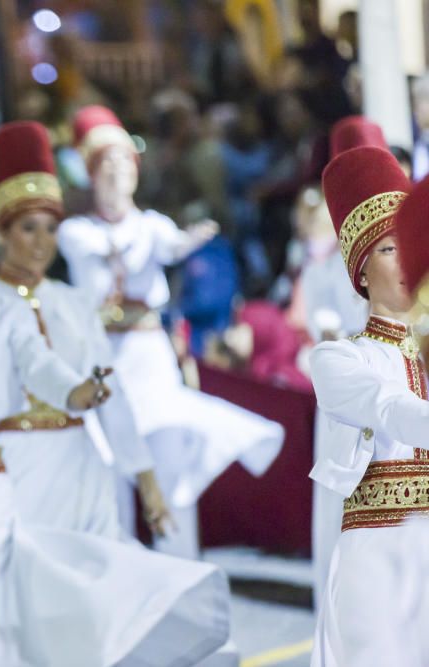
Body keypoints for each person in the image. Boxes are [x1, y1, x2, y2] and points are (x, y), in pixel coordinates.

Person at [0, 119, 231, 667]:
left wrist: (85, 399)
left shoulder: (24, 311)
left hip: (33, 477)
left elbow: (47, 368)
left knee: (60, 607)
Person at [59, 105, 284, 559]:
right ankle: (116, 574)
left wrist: (184, 241)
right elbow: (111, 252)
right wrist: (160, 241)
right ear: (91, 173)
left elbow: (171, 246)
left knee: (168, 462)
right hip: (102, 356)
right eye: (107, 164)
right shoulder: (76, 231)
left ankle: (181, 568)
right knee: (107, 468)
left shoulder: (154, 226)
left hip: (147, 353)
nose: (118, 173)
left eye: (125, 163)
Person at [0, 120, 169, 538]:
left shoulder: (75, 303)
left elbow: (110, 394)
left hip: (80, 467)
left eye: (51, 229)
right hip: (8, 468)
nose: (41, 243)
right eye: (28, 228)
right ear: (2, 231)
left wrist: (146, 481)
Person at [309, 145, 428, 667]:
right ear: (359, 271)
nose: (403, 262)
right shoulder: (338, 359)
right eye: (385, 250)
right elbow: (390, 408)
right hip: (377, 562)